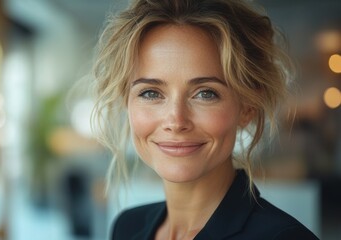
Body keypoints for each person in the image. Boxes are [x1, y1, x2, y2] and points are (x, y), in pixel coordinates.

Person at [90, 0, 319, 239]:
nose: (176, 120)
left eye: (205, 93)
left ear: (248, 107)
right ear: (126, 101)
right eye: (151, 93)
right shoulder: (127, 227)